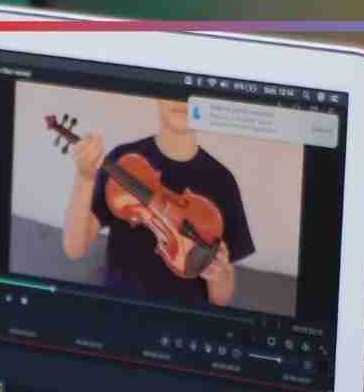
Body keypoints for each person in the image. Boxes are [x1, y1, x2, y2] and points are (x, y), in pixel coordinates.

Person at [60, 98, 255, 308]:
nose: (182, 100)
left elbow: (221, 298)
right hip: (120, 311)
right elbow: (74, 248)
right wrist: (85, 177)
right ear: (157, 97)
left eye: (190, 92)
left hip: (184, 319)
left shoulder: (222, 181)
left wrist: (220, 274)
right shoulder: (124, 159)